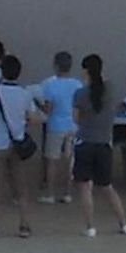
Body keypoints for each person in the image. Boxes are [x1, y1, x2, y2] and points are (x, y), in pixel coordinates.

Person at [0, 60, 40, 237]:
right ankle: (24, 224)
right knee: (21, 186)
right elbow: (34, 118)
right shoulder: (25, 94)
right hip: (18, 143)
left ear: (2, 72)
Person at [70, 55, 126, 234]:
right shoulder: (110, 89)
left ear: (84, 71)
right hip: (104, 143)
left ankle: (90, 226)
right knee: (107, 187)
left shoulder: (80, 94)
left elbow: (76, 118)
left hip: (85, 142)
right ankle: (123, 223)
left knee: (84, 187)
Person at [36, 50, 83, 204]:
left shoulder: (51, 85)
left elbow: (48, 109)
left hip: (56, 125)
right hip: (73, 125)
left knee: (52, 160)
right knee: (69, 160)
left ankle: (50, 193)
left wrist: (38, 104)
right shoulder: (77, 84)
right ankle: (67, 193)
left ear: (55, 66)